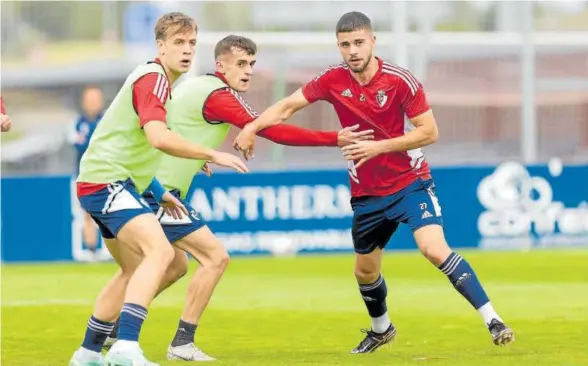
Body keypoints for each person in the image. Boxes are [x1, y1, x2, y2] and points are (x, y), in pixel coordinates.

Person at [233, 11, 515, 354]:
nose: (352, 50)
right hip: (367, 193)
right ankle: (382, 330)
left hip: (410, 183)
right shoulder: (332, 79)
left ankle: (493, 319)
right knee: (365, 272)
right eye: (344, 44)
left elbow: (430, 132)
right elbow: (288, 106)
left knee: (433, 248)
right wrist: (251, 127)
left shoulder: (400, 81)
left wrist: (378, 146)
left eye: (358, 42)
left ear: (372, 42)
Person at [98, 34, 374, 362]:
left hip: (144, 185)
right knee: (215, 258)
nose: (248, 71)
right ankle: (180, 343)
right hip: (158, 194)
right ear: (220, 65)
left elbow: (173, 126)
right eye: (241, 64)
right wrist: (335, 138)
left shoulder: (195, 86)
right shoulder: (218, 94)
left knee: (173, 266)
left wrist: (196, 158)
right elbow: (272, 129)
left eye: (252, 65)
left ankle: (112, 330)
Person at [69, 12, 248, 366]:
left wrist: (157, 188)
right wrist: (212, 152)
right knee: (162, 254)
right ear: (160, 47)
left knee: (132, 270)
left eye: (192, 43)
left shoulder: (154, 80)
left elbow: (135, 149)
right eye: (178, 43)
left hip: (104, 181)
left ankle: (87, 353)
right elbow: (158, 138)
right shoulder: (155, 79)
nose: (186, 50)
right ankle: (125, 348)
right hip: (108, 182)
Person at [70, 86, 105, 254]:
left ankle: (111, 250)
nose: (93, 104)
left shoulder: (107, 121)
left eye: (96, 100)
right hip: (84, 176)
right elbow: (79, 144)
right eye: (90, 100)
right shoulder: (79, 124)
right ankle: (91, 249)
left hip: (106, 174)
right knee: (87, 214)